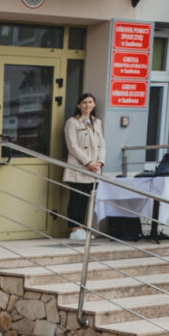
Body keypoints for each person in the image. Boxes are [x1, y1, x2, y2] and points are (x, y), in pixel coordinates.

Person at [63, 92, 105, 240]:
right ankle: (75, 229)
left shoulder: (97, 122)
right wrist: (88, 162)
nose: (88, 105)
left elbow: (102, 144)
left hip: (94, 168)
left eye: (90, 102)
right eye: (84, 102)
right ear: (79, 105)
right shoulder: (72, 122)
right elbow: (72, 146)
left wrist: (100, 162)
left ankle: (83, 228)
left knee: (87, 199)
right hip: (79, 167)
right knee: (76, 199)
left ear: (94, 105)